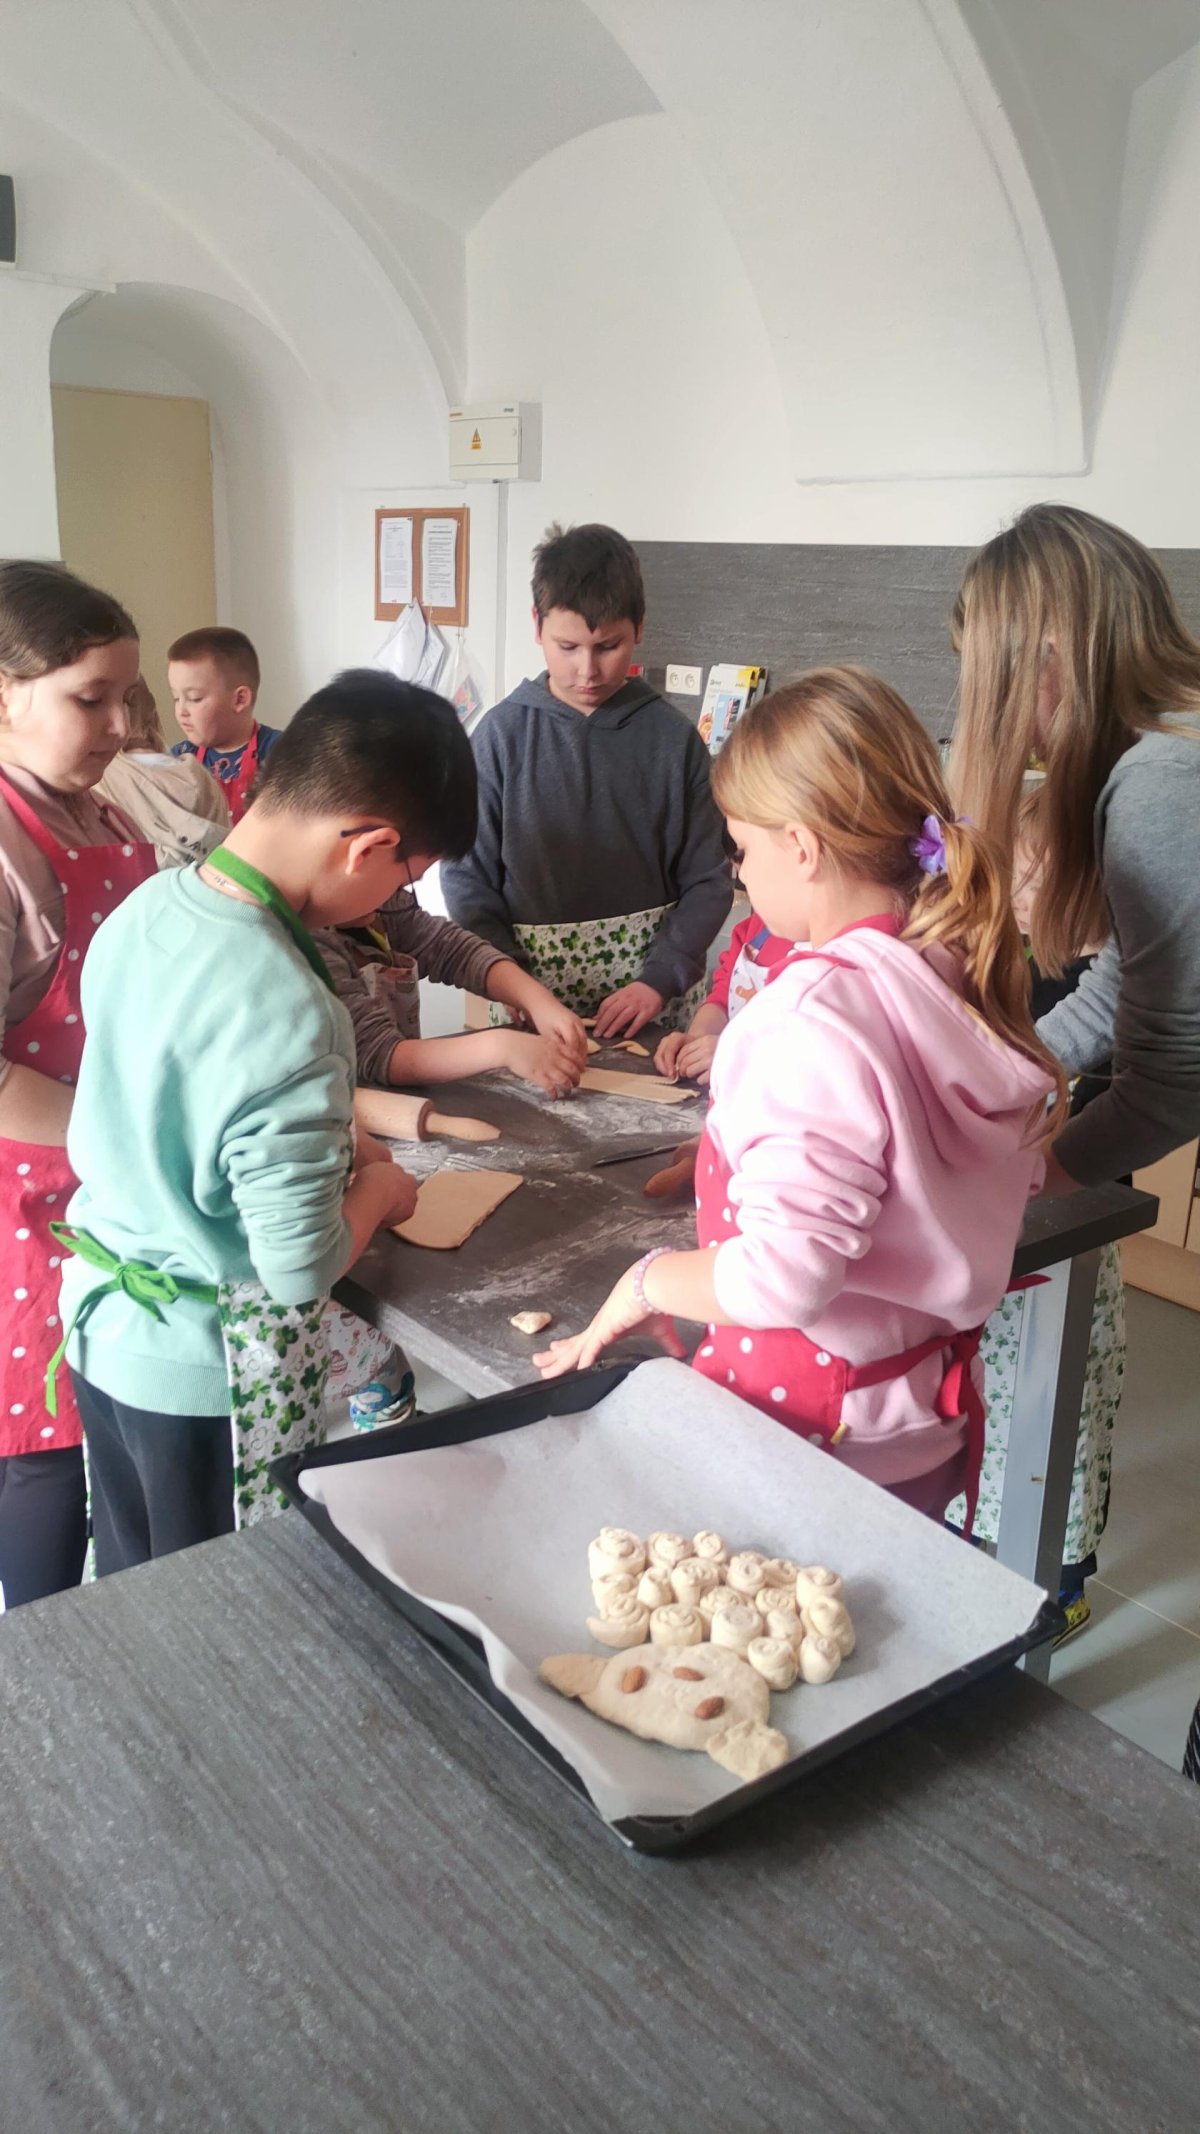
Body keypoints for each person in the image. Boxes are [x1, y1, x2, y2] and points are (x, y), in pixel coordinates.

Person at [537, 667, 1063, 1529]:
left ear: (803, 846)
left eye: (742, 849)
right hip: (916, 1413)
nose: (740, 873)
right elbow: (911, 1169)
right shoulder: (946, 968)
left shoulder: (807, 1013)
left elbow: (785, 1277)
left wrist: (647, 1282)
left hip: (809, 1437)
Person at [51, 671, 485, 1574]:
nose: (392, 903)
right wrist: (380, 1188)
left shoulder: (147, 908)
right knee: (225, 1607)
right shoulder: (291, 1006)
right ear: (370, 847)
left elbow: (182, 1101)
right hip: (203, 1367)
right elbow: (295, 1268)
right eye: (405, 880)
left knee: (140, 1584)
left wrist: (330, 1141)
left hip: (103, 1330)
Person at [950, 503, 1200, 1625]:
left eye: (996, 680)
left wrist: (1037, 1177)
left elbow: (1177, 1068)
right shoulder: (1158, 754)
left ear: (1049, 655)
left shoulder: (1162, 781)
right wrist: (1003, 1077)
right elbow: (1125, 979)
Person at [0, 560, 156, 1608]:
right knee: (41, 1446)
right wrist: (125, 1138)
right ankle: (37, 1664)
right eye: (88, 699)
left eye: (125, 698)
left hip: (101, 1174)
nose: (118, 726)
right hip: (24, 1192)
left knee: (98, 1415)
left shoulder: (101, 816)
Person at [440, 523, 732, 1038]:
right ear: (537, 625)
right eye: (568, 646)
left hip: (652, 1001)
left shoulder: (675, 741)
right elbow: (466, 878)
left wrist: (660, 979)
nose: (587, 670)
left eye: (608, 646)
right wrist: (507, 977)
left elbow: (709, 881)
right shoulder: (499, 738)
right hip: (527, 999)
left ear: (639, 627)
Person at [321, 895, 586, 1100]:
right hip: (343, 1122)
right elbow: (379, 1052)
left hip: (399, 1100)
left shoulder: (380, 907)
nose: (397, 893)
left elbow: (455, 951)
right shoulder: (312, 947)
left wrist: (537, 999)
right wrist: (500, 1047)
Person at [98, 674, 229, 867]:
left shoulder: (104, 778)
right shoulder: (199, 775)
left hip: (144, 882)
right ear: (152, 713)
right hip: (210, 877)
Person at [653, 909, 792, 1086]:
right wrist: (697, 1039)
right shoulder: (756, 929)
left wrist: (739, 1056)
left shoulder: (823, 964)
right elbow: (724, 997)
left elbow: (814, 1062)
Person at [168, 626, 282, 822]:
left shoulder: (280, 753)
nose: (181, 710)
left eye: (194, 698)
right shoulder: (179, 759)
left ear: (239, 699)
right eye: (176, 698)